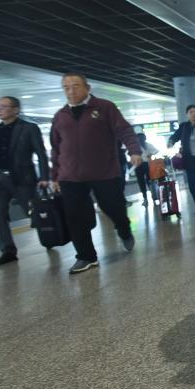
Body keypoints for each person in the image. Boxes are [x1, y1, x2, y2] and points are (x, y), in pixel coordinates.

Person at [49, 73, 142, 274]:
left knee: (113, 207)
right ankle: (86, 257)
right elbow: (56, 149)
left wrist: (134, 150)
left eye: (75, 86)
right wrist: (54, 176)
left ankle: (123, 227)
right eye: (66, 87)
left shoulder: (105, 107)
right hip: (70, 176)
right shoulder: (60, 116)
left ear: (87, 88)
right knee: (75, 217)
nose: (71, 91)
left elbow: (124, 130)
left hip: (104, 172)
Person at [0, 96, 49, 268]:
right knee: (0, 214)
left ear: (16, 109)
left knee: (33, 213)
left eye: (4, 106)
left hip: (21, 179)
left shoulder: (29, 128)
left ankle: (50, 236)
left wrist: (44, 177)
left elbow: (41, 154)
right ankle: (7, 251)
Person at [133, 132, 160, 206]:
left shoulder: (148, 145)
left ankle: (154, 198)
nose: (141, 139)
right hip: (138, 165)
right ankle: (145, 198)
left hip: (147, 164)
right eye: (139, 138)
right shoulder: (135, 146)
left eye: (142, 138)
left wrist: (150, 154)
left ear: (145, 138)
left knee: (150, 181)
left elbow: (156, 151)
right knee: (142, 182)